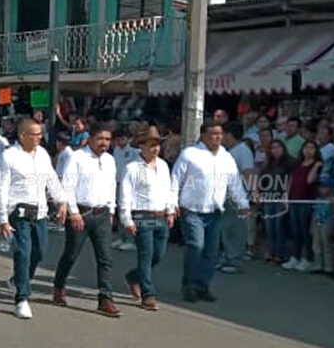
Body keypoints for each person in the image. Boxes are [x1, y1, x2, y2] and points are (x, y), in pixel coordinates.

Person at [0, 117, 68, 319]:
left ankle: (18, 279)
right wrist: (3, 218)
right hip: (18, 211)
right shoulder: (9, 156)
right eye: (35, 134)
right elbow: (1, 186)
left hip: (40, 211)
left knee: (40, 251)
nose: (39, 138)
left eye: (40, 134)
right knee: (23, 253)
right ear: (22, 135)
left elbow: (51, 179)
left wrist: (61, 201)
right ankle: (21, 298)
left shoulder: (43, 154)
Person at [171, 120, 250, 303]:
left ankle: (202, 285)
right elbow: (176, 180)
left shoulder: (226, 157)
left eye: (220, 134)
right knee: (196, 246)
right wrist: (171, 204)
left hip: (214, 211)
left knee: (211, 251)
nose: (217, 138)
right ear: (203, 135)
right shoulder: (190, 154)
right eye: (213, 134)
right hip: (192, 209)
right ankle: (189, 285)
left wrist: (243, 203)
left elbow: (234, 183)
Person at [52, 122, 120, 317]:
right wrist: (73, 212)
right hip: (81, 213)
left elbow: (111, 187)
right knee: (71, 254)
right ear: (90, 139)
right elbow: (68, 186)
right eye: (100, 139)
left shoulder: (109, 160)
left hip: (102, 214)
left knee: (105, 258)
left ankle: (105, 298)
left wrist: (112, 210)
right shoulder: (77, 158)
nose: (104, 143)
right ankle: (58, 286)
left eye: (107, 139)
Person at [118, 126, 175, 311]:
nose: (155, 149)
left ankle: (134, 277)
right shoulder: (133, 167)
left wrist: (171, 210)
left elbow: (169, 189)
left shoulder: (164, 165)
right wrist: (127, 219)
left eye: (157, 145)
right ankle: (148, 294)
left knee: (158, 255)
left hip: (161, 215)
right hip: (142, 215)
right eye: (151, 145)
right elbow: (125, 194)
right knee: (146, 254)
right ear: (141, 146)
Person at [219, 123, 255, 272]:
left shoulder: (243, 151)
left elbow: (248, 172)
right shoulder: (229, 151)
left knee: (236, 229)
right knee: (225, 228)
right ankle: (227, 257)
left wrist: (253, 191)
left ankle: (235, 260)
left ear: (230, 134)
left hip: (237, 196)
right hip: (224, 195)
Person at [284, 141, 322, 272]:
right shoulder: (297, 165)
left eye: (312, 148)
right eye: (306, 147)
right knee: (296, 231)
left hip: (307, 201)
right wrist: (287, 197)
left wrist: (316, 167)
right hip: (294, 200)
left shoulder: (316, 165)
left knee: (305, 231)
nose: (308, 150)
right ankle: (295, 257)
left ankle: (307, 259)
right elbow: (291, 181)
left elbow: (310, 180)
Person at [259, 140, 293, 264]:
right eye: (273, 147)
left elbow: (291, 180)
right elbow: (263, 181)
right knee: (269, 227)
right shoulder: (269, 164)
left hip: (280, 198)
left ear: (283, 148)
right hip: (268, 197)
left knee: (279, 227)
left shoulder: (289, 163)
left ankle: (280, 254)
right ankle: (271, 252)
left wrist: (286, 195)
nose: (275, 149)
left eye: (278, 147)